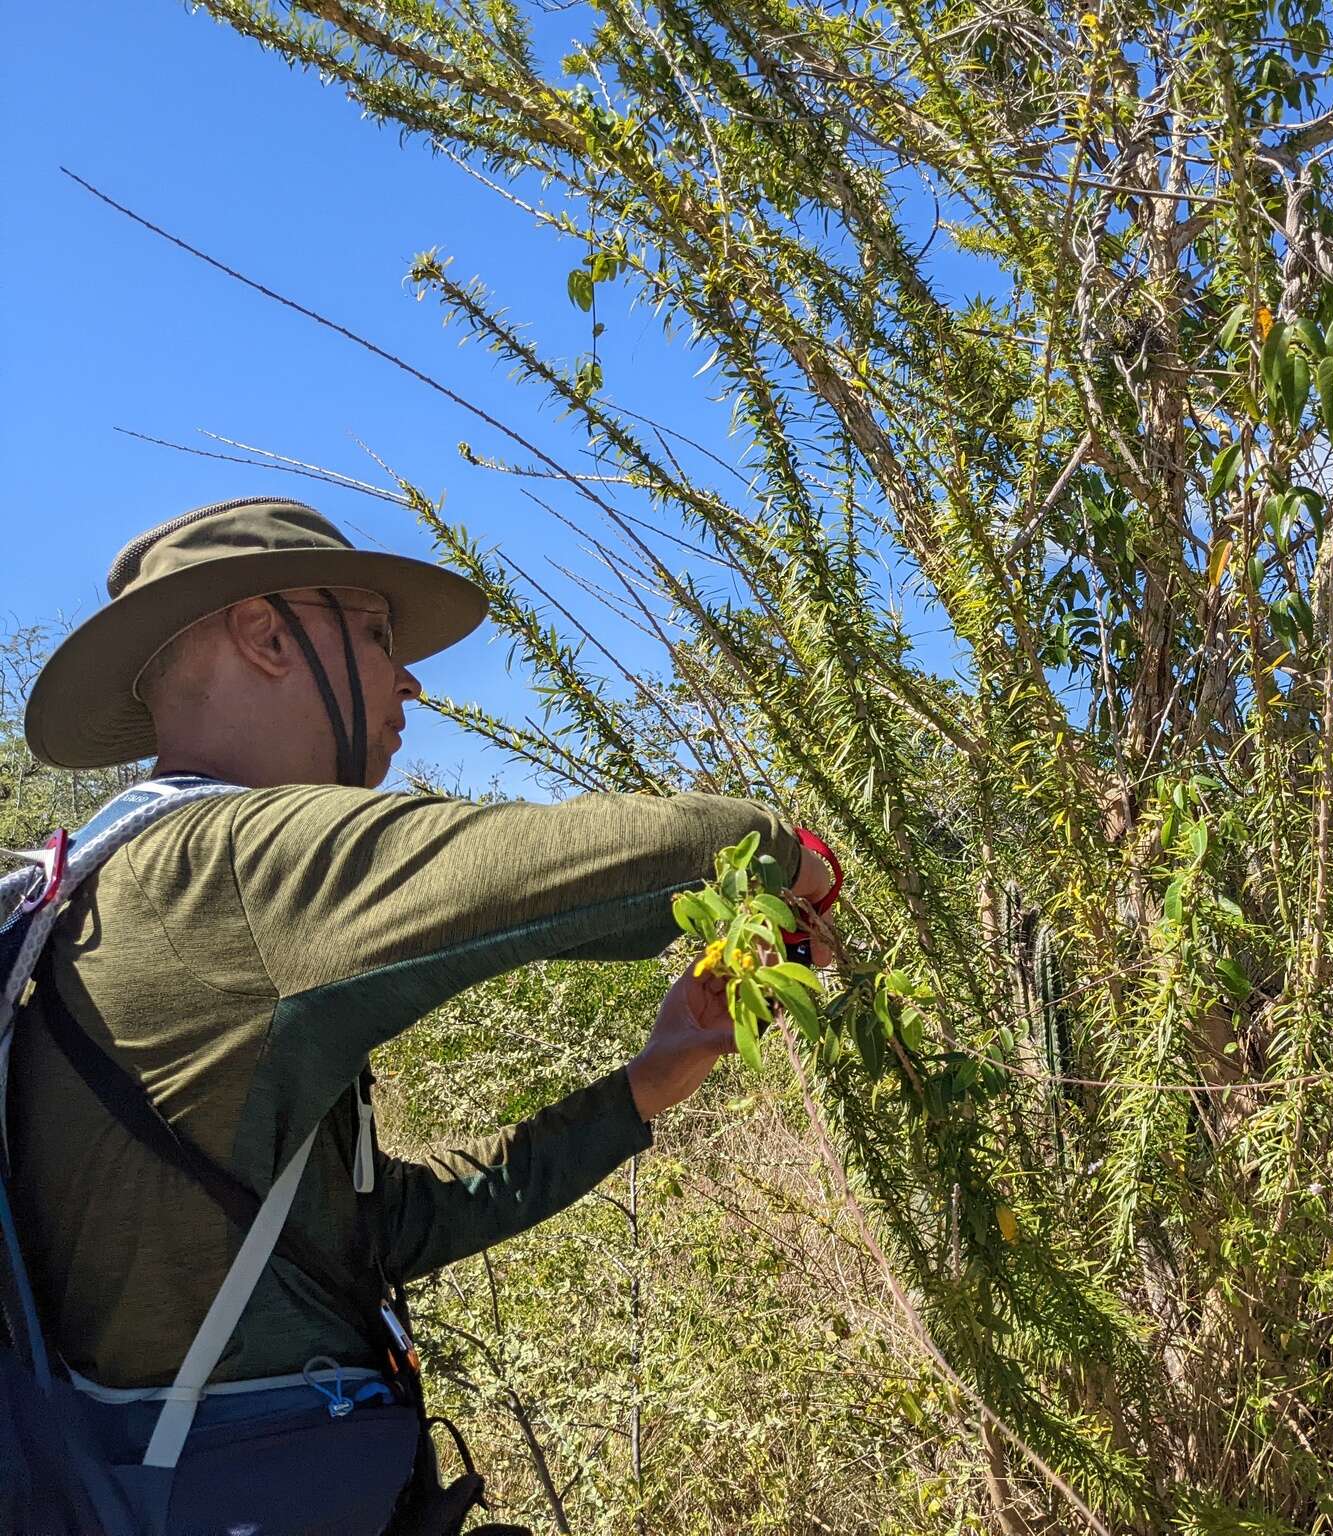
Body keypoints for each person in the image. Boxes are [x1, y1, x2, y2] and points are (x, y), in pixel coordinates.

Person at [5, 496, 836, 1533]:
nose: (406, 680)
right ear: (267, 636)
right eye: (371, 634)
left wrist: (642, 1088)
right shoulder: (232, 862)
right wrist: (789, 855)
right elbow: (628, 858)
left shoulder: (92, 889)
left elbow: (369, 1231)